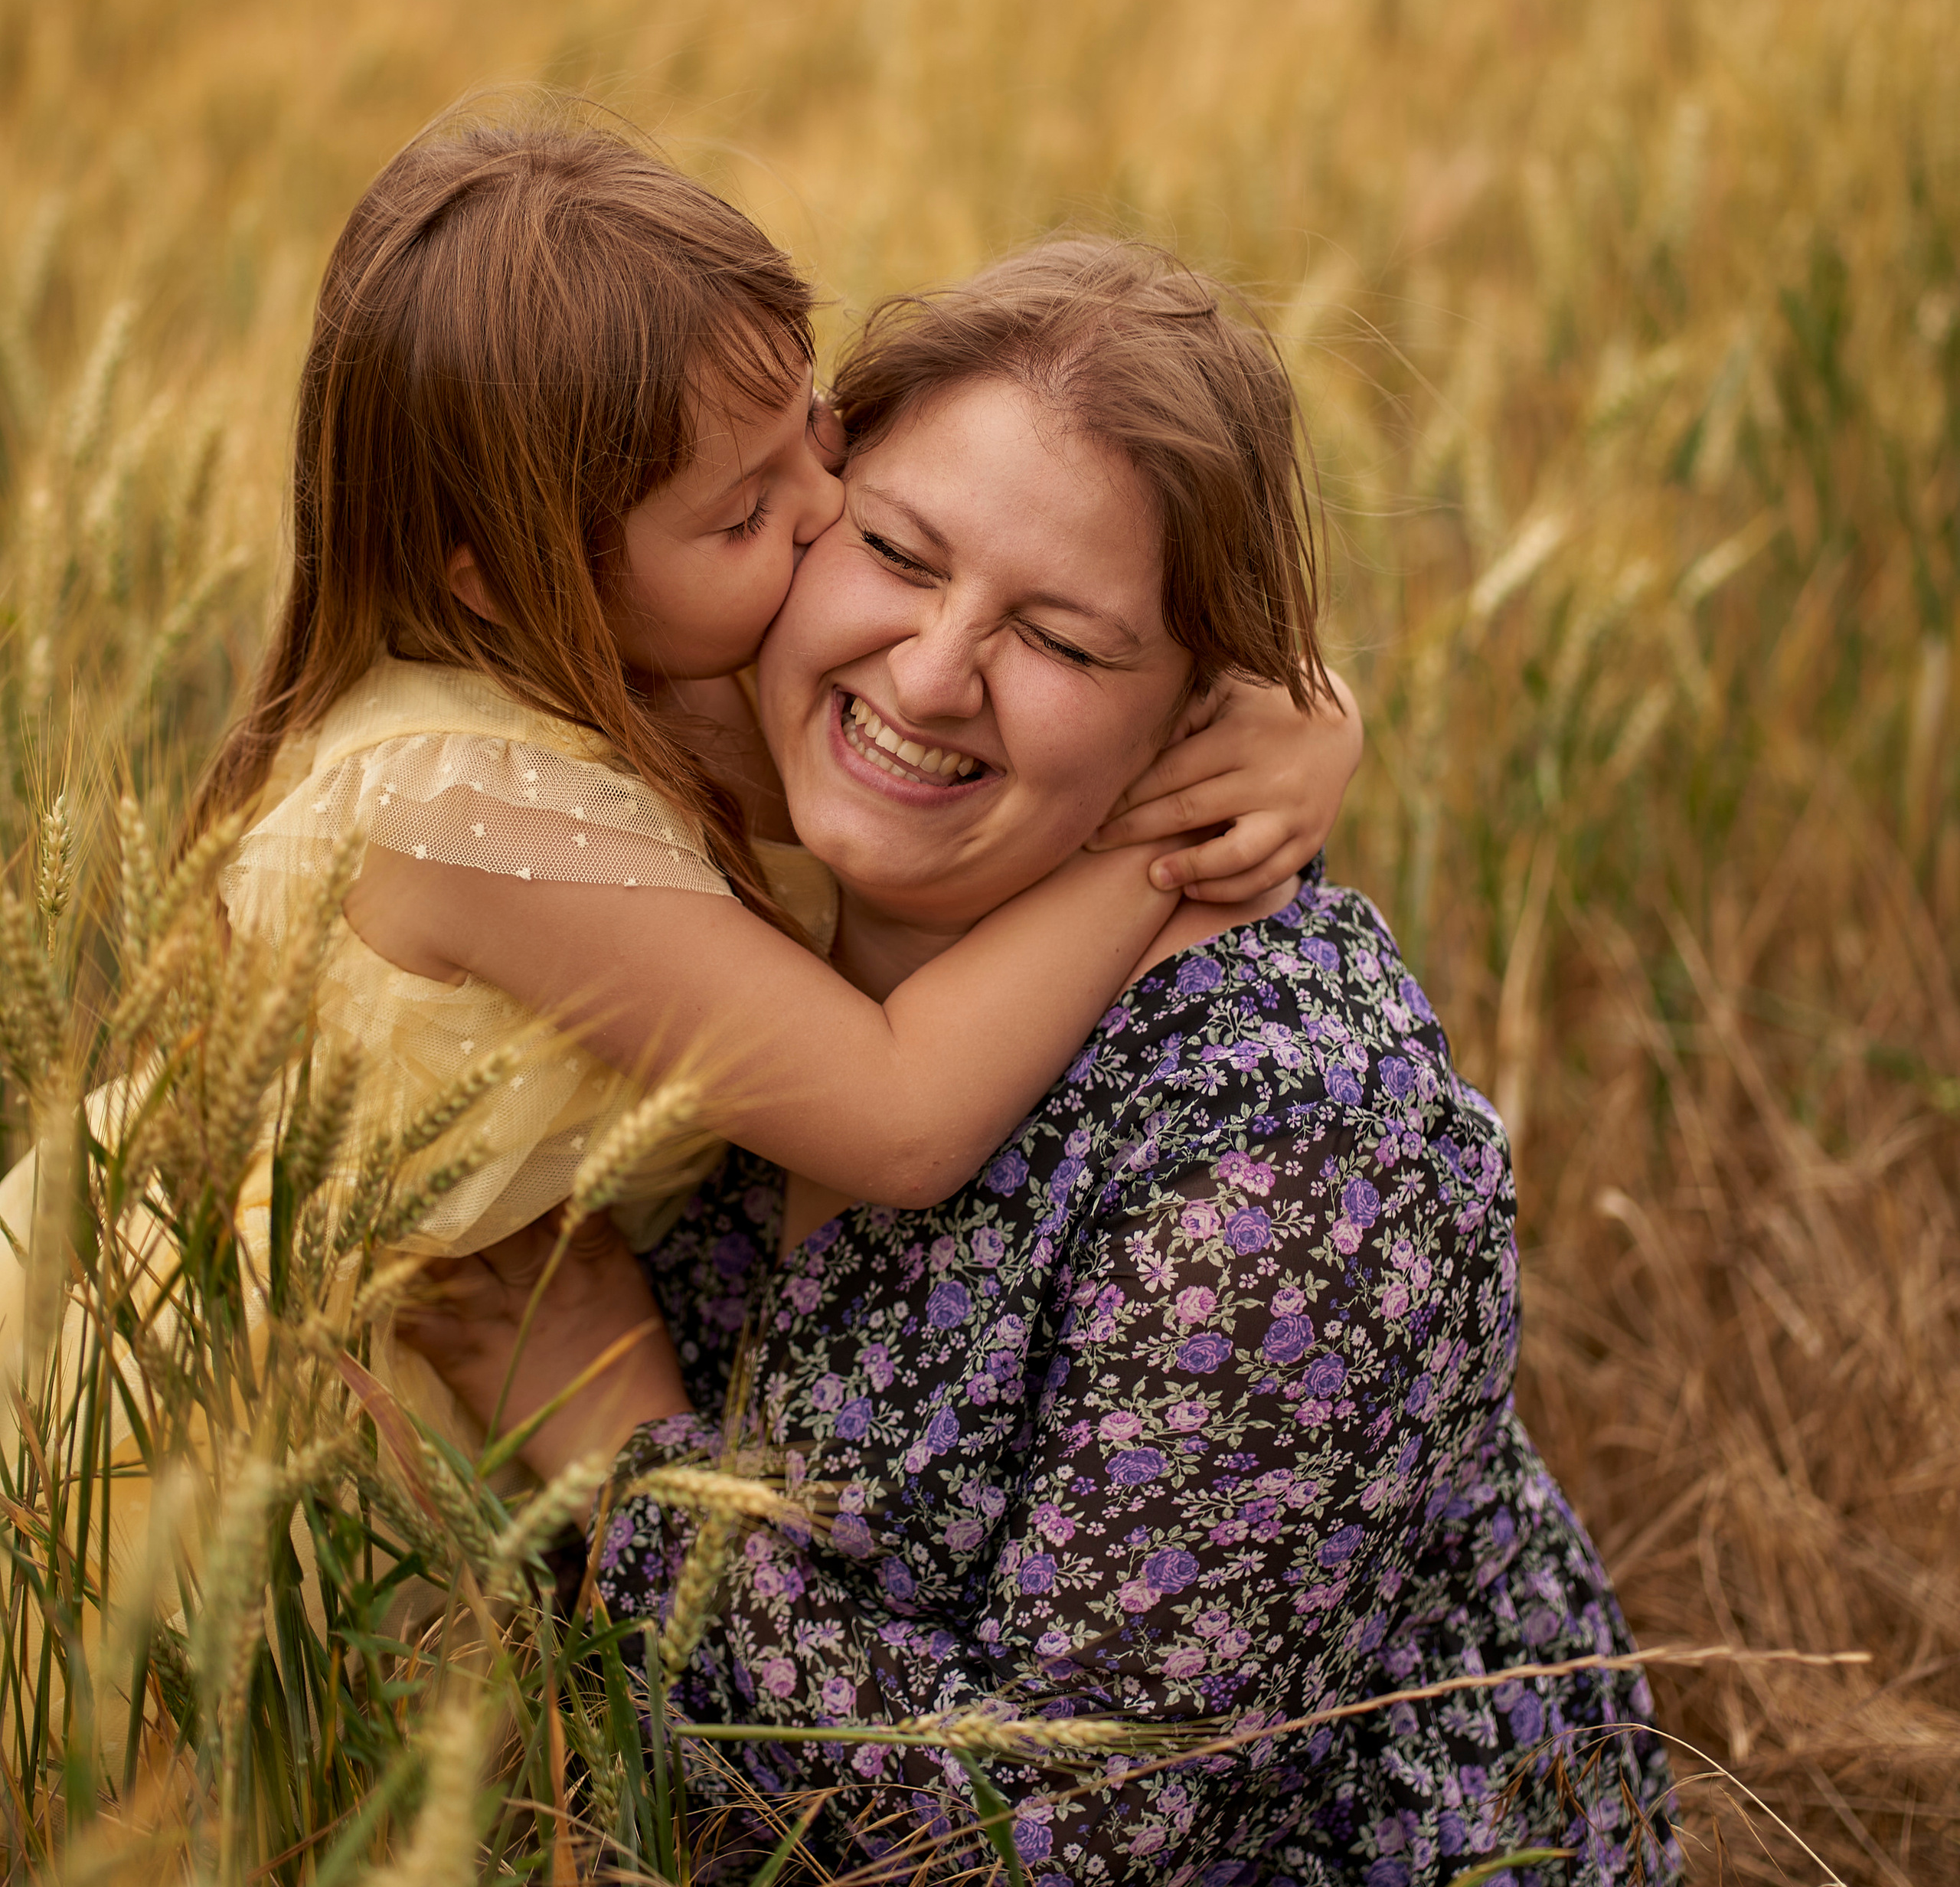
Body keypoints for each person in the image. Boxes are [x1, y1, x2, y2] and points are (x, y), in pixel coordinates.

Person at [407, 240, 1726, 1887]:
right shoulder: (685, 858)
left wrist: (621, 1458)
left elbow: (1051, 1851)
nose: (931, 674)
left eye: (1069, 641)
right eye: (898, 552)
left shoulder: (1298, 1147)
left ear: (1198, 717)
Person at [155, 113, 1358, 1442]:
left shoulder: (663, 639)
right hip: (242, 1409)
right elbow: (900, 1119)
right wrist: (1155, 846)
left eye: (819, 431)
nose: (821, 511)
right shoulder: (470, 814)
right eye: (742, 514)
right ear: (500, 581)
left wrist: (1298, 710)